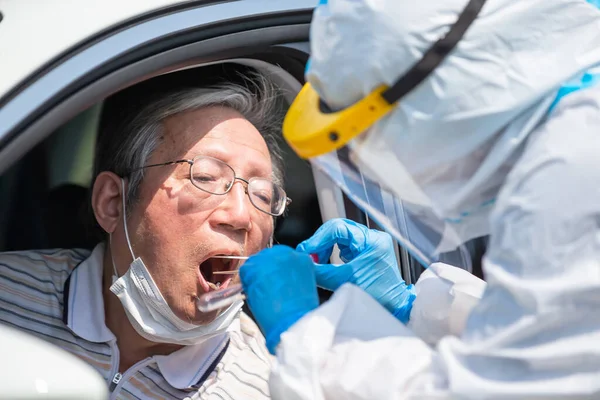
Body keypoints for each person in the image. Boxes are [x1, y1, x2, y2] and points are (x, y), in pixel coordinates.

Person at [239, 0, 600, 398]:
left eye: (381, 141)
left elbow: (498, 388)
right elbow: (552, 336)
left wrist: (306, 340)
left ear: (441, 100)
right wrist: (416, 308)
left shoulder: (571, 173)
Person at [0, 66, 288, 399]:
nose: (241, 215)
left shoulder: (266, 387)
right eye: (206, 177)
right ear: (113, 202)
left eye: (263, 195)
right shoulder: (8, 301)